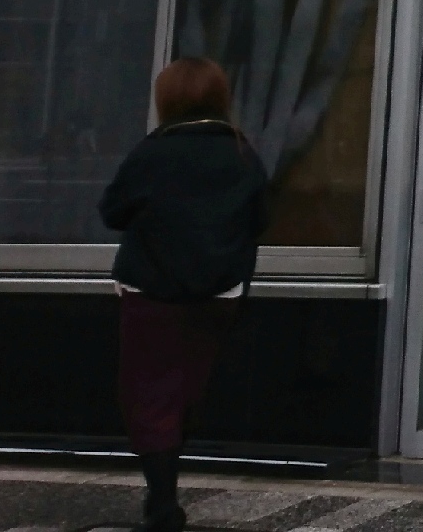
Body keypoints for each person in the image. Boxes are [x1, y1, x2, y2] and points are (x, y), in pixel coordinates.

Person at [100, 58, 268, 532]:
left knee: (148, 394)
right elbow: (260, 220)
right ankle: (166, 493)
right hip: (220, 292)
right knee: (190, 389)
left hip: (151, 292)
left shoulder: (152, 153)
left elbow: (113, 211)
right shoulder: (241, 153)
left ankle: (162, 502)